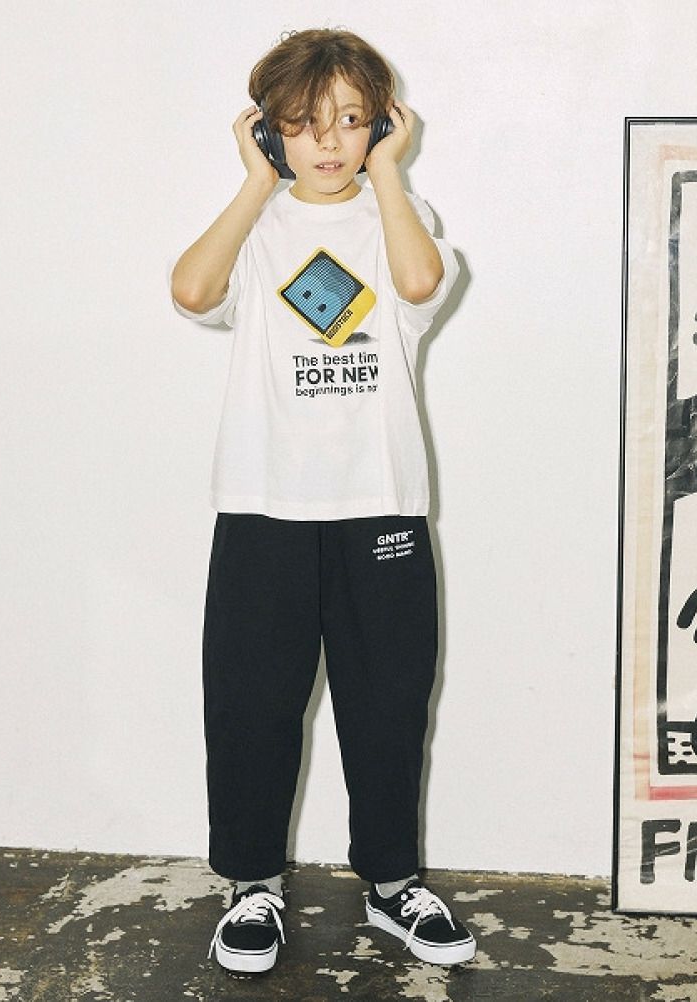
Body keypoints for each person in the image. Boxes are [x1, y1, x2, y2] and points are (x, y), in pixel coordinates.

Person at [170, 27, 474, 975]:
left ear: (382, 124)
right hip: (264, 503)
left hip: (379, 503)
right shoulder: (256, 229)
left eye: (350, 120)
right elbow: (192, 292)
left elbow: (419, 284)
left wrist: (390, 174)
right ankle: (252, 885)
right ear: (271, 132)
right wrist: (255, 183)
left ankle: (392, 882)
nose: (328, 142)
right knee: (251, 705)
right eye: (302, 124)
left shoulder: (400, 220)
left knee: (388, 704)